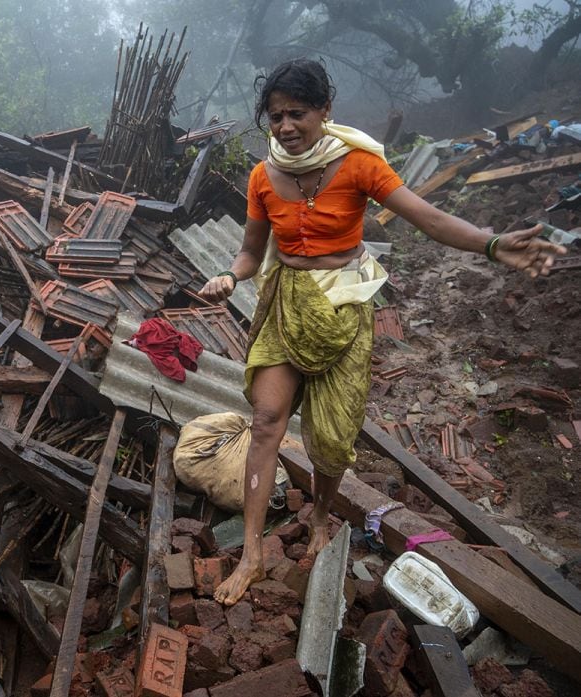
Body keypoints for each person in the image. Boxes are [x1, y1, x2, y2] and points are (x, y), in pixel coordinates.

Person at [199, 58, 566, 607]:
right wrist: (231, 275)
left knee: (331, 436)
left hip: (344, 306)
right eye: (275, 117)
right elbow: (252, 252)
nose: (285, 127)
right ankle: (251, 554)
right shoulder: (261, 176)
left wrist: (491, 243)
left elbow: (429, 218)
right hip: (285, 304)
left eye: (297, 113)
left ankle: (321, 514)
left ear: (325, 110)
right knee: (267, 420)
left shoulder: (360, 166)